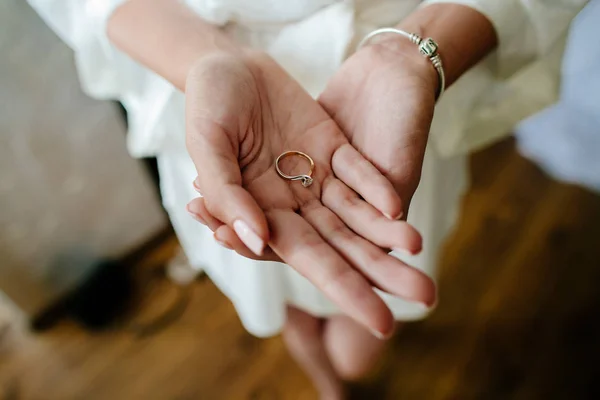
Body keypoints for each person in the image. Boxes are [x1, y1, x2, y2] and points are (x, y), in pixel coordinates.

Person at [28, 0, 587, 398]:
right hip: (219, 117)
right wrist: (209, 59)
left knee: (360, 330)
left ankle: (339, 369)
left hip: (388, 120)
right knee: (273, 285)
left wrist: (410, 53)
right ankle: (325, 385)